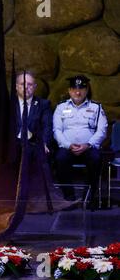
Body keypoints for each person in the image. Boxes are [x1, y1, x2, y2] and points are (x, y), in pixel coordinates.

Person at [53, 75, 108, 205]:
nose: (78, 92)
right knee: (59, 159)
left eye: (81, 89)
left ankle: (88, 196)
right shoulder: (61, 107)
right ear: (69, 90)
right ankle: (69, 197)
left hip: (89, 148)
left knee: (96, 159)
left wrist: (88, 144)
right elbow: (57, 130)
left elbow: (102, 130)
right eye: (74, 89)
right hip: (67, 148)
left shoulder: (96, 107)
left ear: (87, 90)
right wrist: (68, 145)